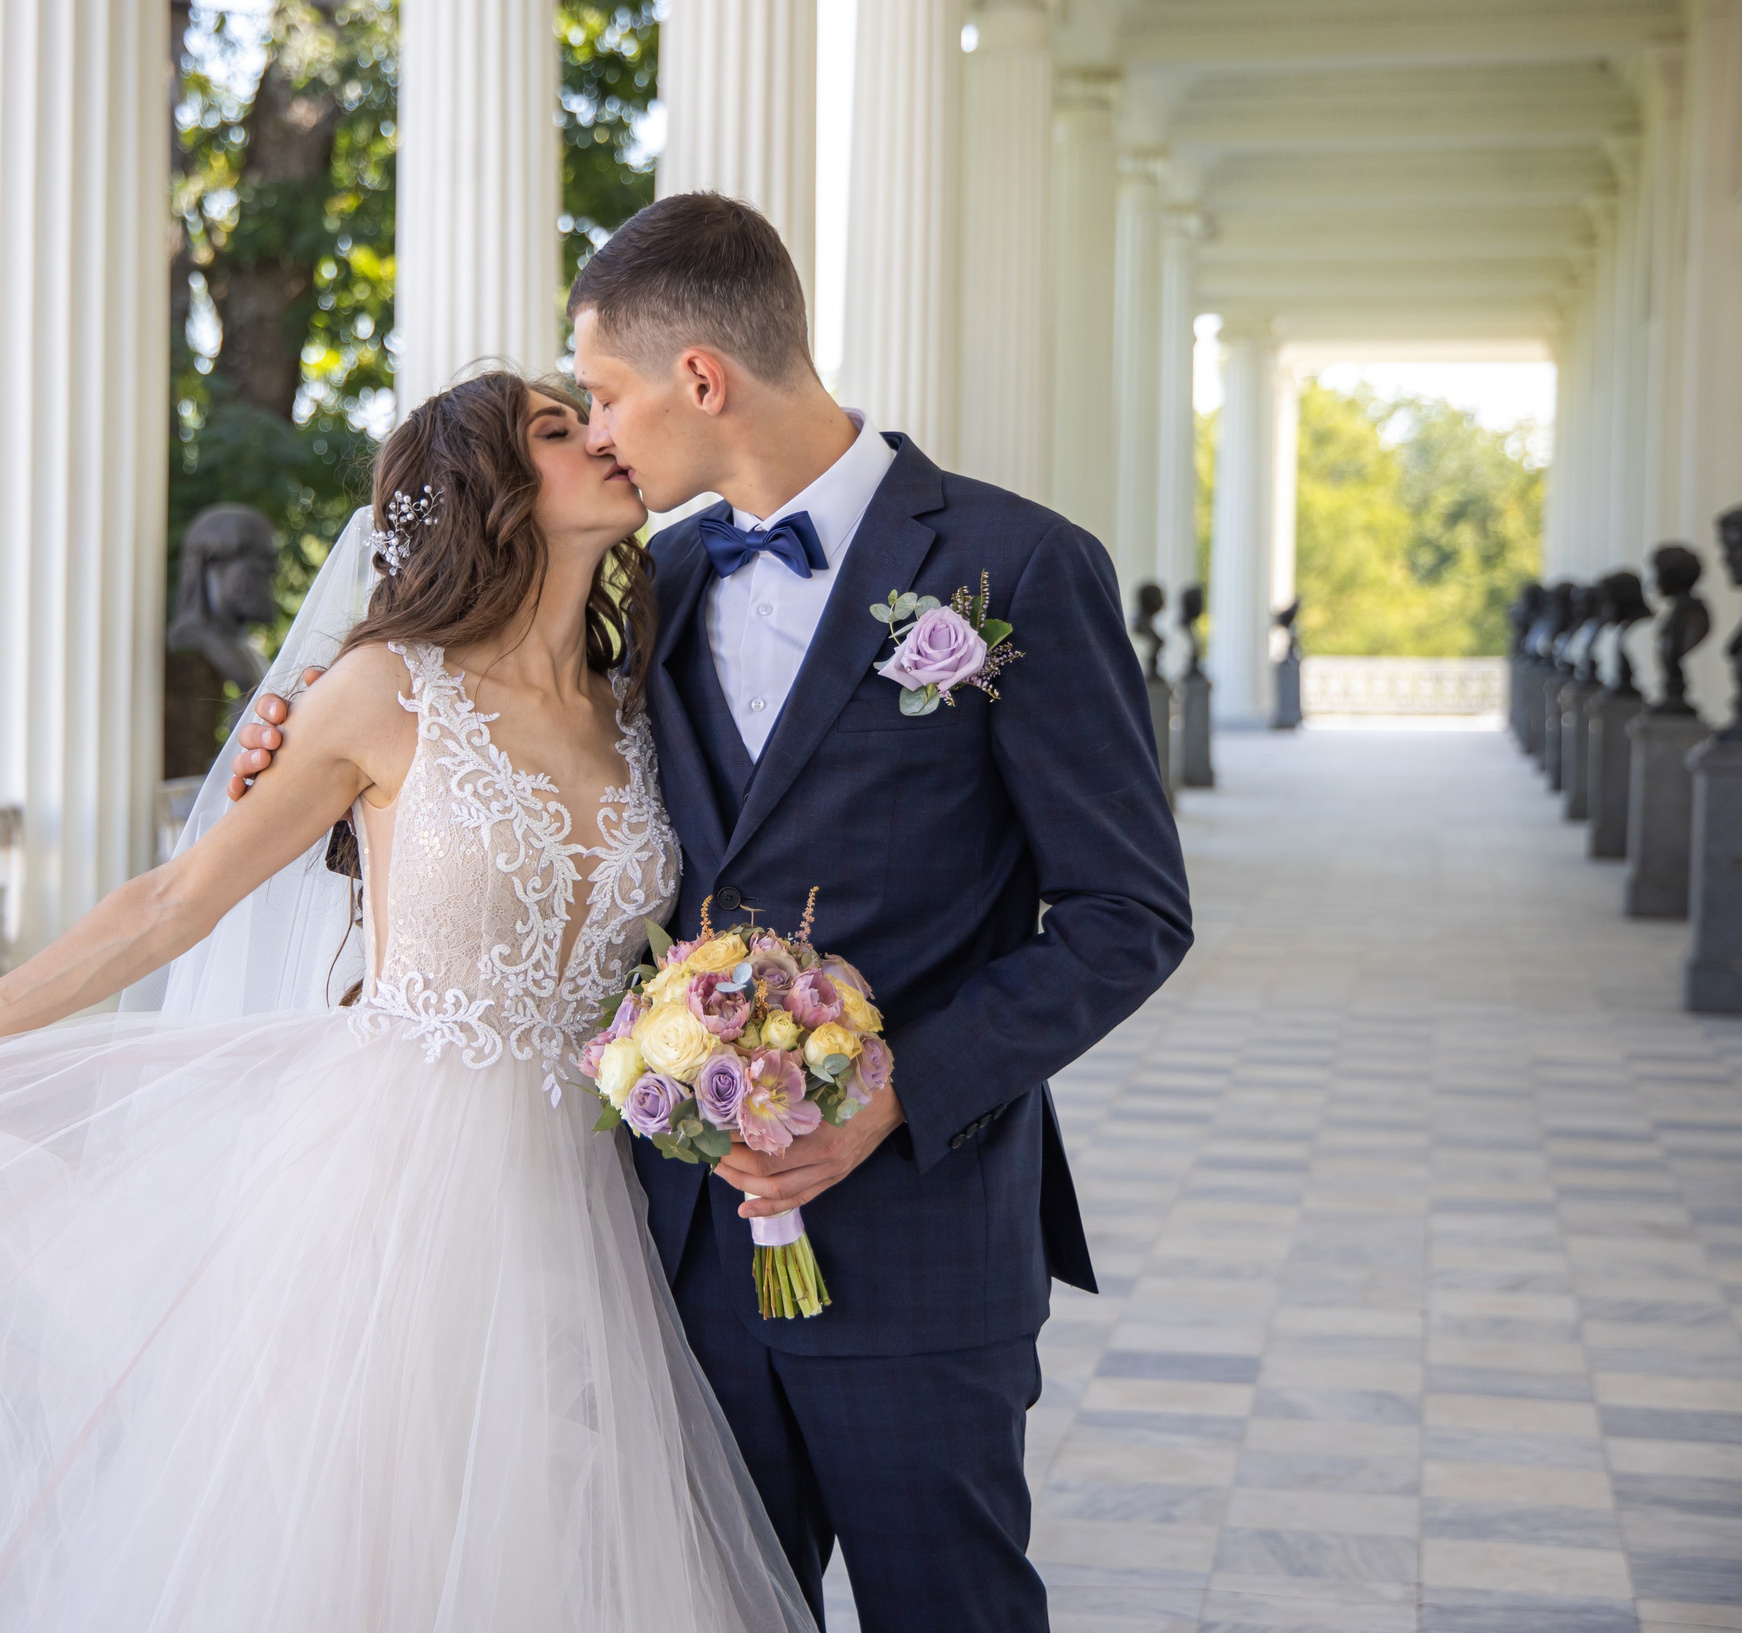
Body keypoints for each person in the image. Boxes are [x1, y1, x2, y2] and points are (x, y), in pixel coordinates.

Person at [0, 372, 816, 1633]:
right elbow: (175, 903)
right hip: (391, 1190)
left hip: (588, 1194)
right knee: (359, 1536)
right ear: (488, 489)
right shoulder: (381, 693)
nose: (594, 429)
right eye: (547, 424)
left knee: (554, 1533)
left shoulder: (637, 706)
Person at [236, 195, 1193, 1630]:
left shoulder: (1020, 567)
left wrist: (891, 1095)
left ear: (700, 378)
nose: (600, 435)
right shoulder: (648, 587)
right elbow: (493, 750)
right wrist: (292, 740)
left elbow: (1130, 910)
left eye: (604, 392)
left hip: (923, 1244)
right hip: (669, 1255)